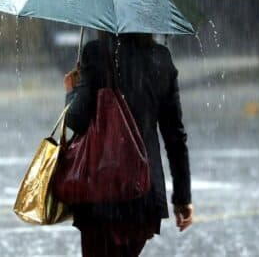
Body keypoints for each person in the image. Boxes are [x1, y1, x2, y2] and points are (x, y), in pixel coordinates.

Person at [63, 32, 193, 256]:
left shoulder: (96, 53)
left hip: (100, 191)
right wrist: (182, 198)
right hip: (143, 193)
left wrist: (72, 91)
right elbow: (175, 136)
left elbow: (77, 120)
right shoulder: (160, 58)